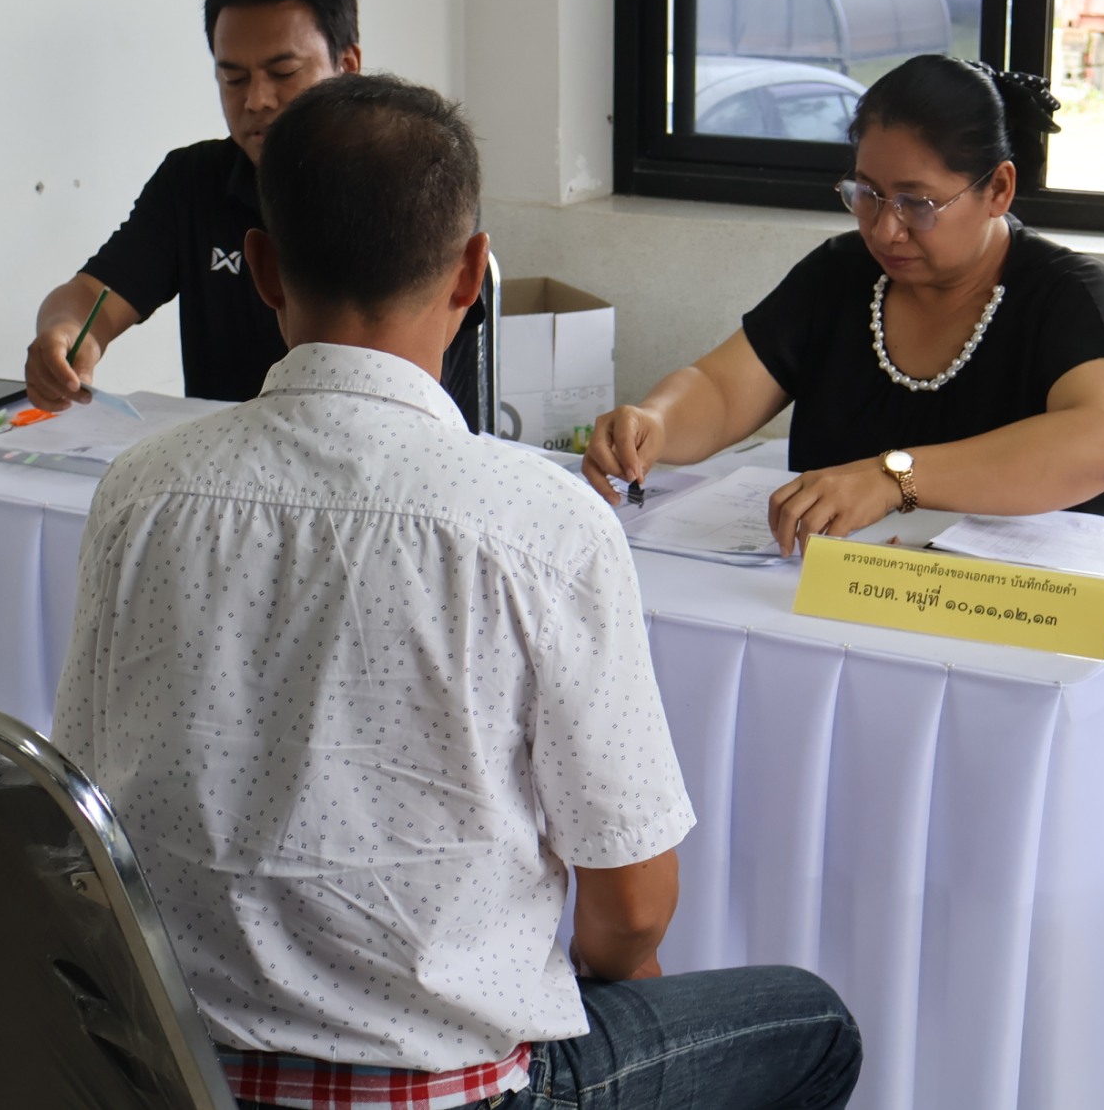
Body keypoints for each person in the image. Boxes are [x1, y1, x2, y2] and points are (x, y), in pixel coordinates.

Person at [52, 73, 862, 1110]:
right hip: (452, 1091)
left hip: (178, 1076)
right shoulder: (544, 522)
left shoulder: (139, 490)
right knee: (814, 1026)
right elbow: (631, 912)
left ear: (261, 267)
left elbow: (85, 812)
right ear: (473, 272)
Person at [583, 54, 1104, 554]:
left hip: (1009, 603)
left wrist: (893, 478)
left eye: (917, 204)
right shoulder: (841, 274)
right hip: (836, 592)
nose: (885, 230)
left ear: (998, 189)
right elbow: (723, 389)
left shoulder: (1066, 293)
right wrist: (656, 421)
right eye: (868, 195)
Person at [23, 0, 486, 424]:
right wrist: (63, 333)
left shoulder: (413, 180)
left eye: (283, 72)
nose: (257, 100)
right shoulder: (193, 182)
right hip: (230, 461)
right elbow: (93, 296)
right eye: (234, 79)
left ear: (347, 66)